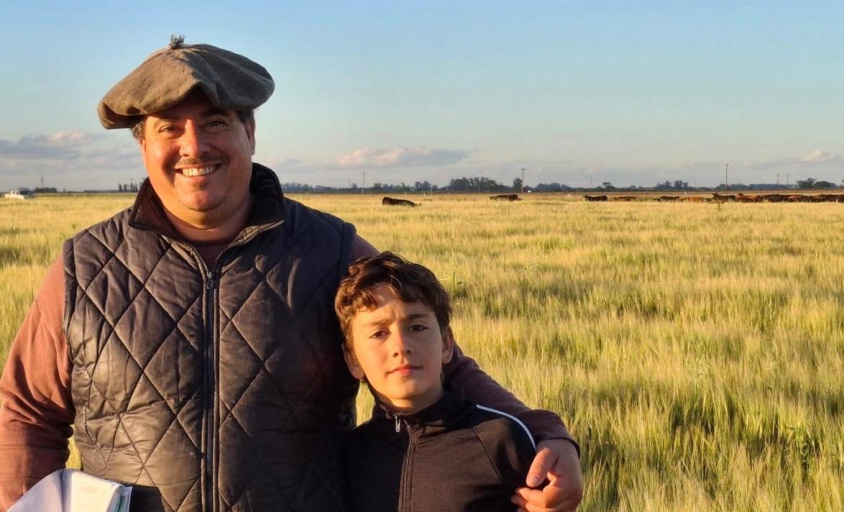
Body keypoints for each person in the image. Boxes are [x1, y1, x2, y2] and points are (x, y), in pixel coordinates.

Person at [0, 37, 583, 512]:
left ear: (250, 133)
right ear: (144, 146)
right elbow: (26, 416)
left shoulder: (331, 250)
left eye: (216, 121)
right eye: (168, 128)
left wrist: (545, 434)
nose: (193, 145)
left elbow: (435, 365)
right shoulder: (85, 266)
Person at [337, 252, 537, 511]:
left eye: (416, 327)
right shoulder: (349, 454)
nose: (401, 346)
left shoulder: (499, 441)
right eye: (379, 333)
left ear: (446, 343)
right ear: (353, 359)